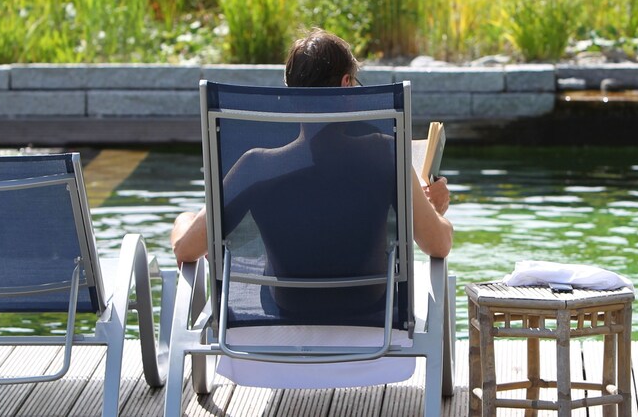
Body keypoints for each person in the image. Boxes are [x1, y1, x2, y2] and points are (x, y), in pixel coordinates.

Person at [170, 28, 453, 265]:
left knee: (188, 218)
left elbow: (185, 249)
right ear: (345, 85)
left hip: (281, 318)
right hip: (372, 318)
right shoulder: (385, 155)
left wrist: (184, 221)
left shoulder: (255, 166)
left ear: (291, 96)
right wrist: (437, 212)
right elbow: (437, 245)